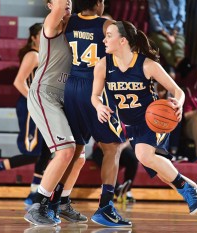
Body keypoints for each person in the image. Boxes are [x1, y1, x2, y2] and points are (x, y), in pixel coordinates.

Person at [91, 20, 197, 232]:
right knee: (167, 175)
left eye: (109, 35)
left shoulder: (147, 65)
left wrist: (179, 104)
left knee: (143, 155)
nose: (104, 39)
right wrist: (99, 106)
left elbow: (178, 91)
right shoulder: (103, 65)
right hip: (131, 127)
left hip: (153, 121)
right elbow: (95, 96)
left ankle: (190, 192)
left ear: (123, 40)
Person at [64, 0, 131, 228]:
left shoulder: (68, 21)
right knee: (112, 147)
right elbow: (124, 54)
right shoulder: (107, 25)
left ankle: (56, 201)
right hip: (95, 89)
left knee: (75, 148)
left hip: (71, 86)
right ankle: (105, 208)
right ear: (99, 3)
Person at [0, 23, 54, 208]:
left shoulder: (45, 54)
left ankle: (34, 194)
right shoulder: (32, 55)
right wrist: (36, 102)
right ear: (33, 37)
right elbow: (19, 82)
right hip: (30, 107)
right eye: (41, 34)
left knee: (45, 151)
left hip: (42, 107)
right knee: (31, 152)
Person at [24, 0, 87, 226]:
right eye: (63, 0)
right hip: (45, 95)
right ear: (50, 5)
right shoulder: (50, 26)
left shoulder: (77, 32)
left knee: (79, 156)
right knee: (65, 151)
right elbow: (61, 6)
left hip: (64, 99)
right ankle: (37, 204)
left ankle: (61, 201)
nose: (67, 2)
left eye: (71, 1)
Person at [91, 139, 138, 203]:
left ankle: (126, 191)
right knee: (103, 160)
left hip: (119, 147)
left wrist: (120, 148)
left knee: (132, 159)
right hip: (101, 148)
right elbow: (96, 137)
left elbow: (129, 138)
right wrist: (108, 149)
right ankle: (118, 188)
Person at [148, 0, 186, 78]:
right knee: (167, 48)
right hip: (159, 32)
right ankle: (181, 68)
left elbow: (181, 17)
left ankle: (172, 69)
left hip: (177, 31)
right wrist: (167, 35)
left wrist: (174, 34)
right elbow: (154, 18)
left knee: (179, 47)